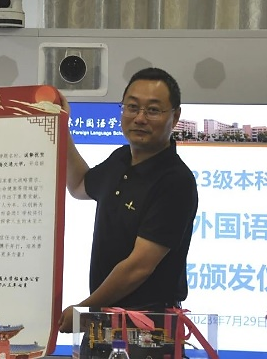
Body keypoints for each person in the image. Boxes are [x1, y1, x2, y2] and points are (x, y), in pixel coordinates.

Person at [58, 67, 198, 334]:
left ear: (175, 116)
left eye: (153, 110)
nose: (140, 118)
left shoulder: (175, 180)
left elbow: (139, 267)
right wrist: (61, 128)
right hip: (105, 320)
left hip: (149, 329)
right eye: (132, 107)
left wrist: (85, 310)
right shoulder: (119, 159)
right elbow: (78, 185)